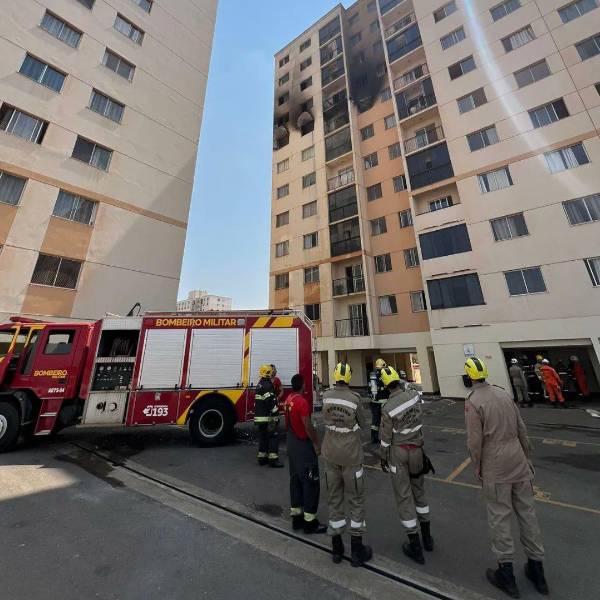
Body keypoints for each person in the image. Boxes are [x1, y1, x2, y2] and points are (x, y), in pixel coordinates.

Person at [464, 357, 549, 598]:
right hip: (518, 460)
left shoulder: (473, 401)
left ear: (469, 376)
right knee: (527, 514)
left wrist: (477, 466)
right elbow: (522, 428)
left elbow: (475, 442)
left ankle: (507, 574)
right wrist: (526, 456)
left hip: (495, 464)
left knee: (499, 518)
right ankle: (537, 570)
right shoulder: (503, 394)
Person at [379, 366, 433, 565]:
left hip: (399, 453)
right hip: (417, 449)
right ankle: (427, 538)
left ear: (386, 385)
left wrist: (383, 457)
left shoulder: (388, 407)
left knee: (403, 496)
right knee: (419, 492)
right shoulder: (413, 396)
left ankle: (415, 546)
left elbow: (386, 438)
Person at [321, 362, 372, 567]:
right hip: (351, 456)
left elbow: (325, 419)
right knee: (356, 499)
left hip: (330, 454)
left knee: (334, 499)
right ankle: (357, 551)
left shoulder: (326, 396)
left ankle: (337, 549)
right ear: (349, 377)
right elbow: (364, 425)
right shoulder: (354, 399)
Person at [284, 373, 326, 534]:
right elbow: (308, 426)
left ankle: (297, 518)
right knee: (310, 482)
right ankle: (310, 522)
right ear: (302, 385)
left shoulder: (289, 399)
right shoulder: (302, 402)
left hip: (291, 444)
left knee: (295, 480)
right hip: (303, 447)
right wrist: (316, 443)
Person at [254, 364, 284, 468]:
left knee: (263, 438)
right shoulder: (267, 385)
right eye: (271, 371)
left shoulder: (260, 384)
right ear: (267, 373)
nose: (272, 372)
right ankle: (273, 460)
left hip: (260, 417)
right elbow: (270, 402)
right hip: (268, 417)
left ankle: (262, 458)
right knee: (273, 437)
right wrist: (276, 414)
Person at [368, 358, 390, 443]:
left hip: (374, 402)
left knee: (375, 421)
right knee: (387, 421)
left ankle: (374, 438)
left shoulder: (372, 375)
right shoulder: (384, 374)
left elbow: (369, 388)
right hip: (384, 402)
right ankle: (387, 437)